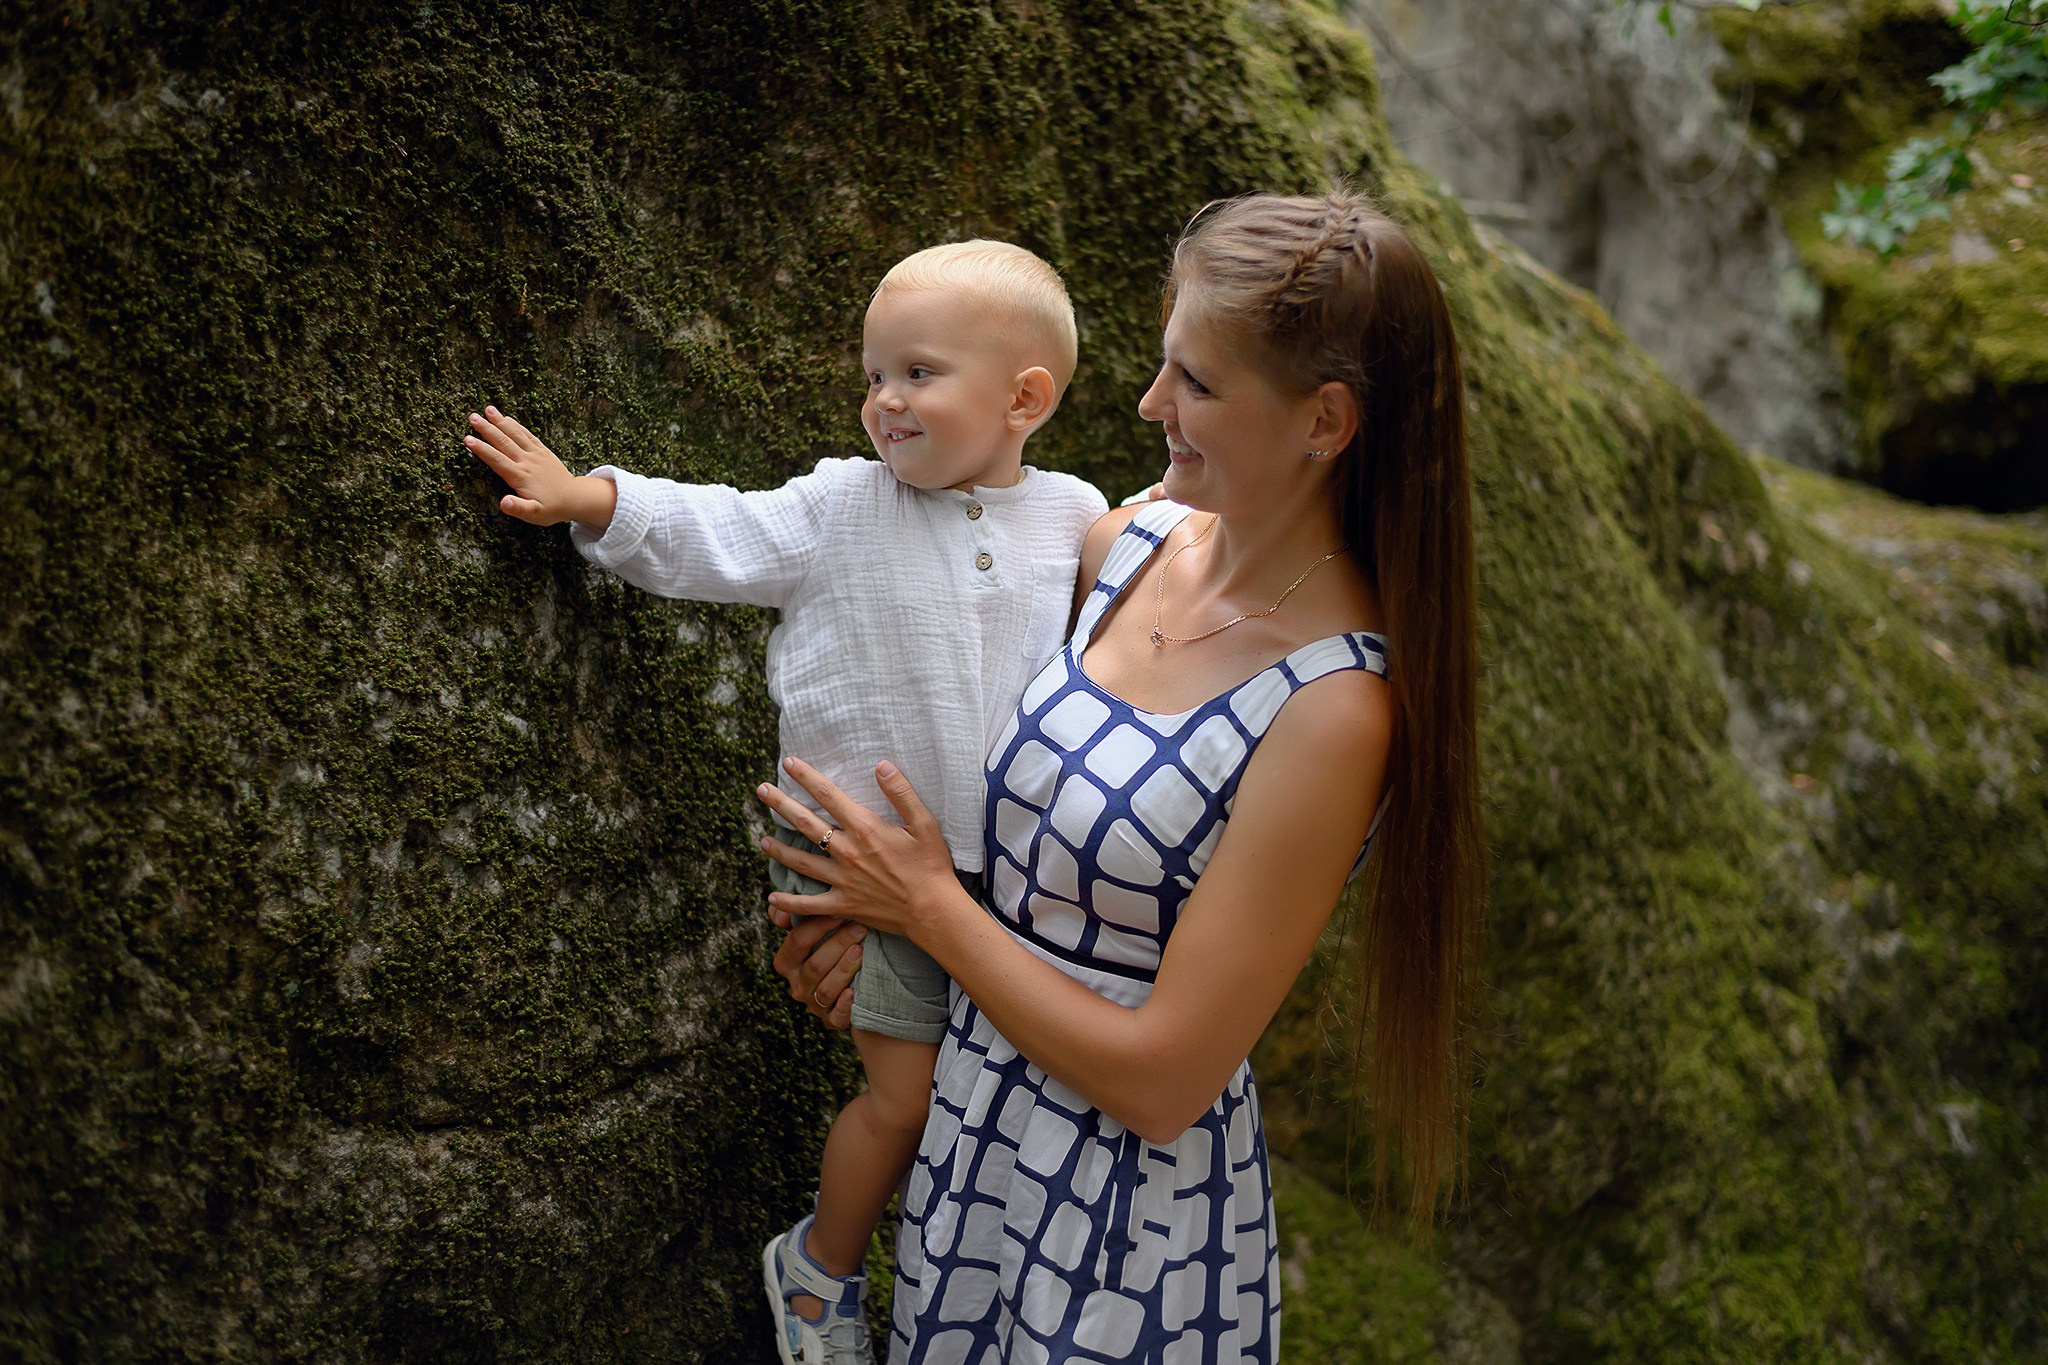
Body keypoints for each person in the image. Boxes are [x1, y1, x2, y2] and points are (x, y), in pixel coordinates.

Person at [761, 189, 1484, 1363]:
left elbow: (1164, 1080)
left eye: (1196, 384)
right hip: (972, 1150)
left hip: (1122, 1225)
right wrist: (862, 931)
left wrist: (929, 913)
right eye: (1163, 368)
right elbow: (996, 818)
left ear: (1325, 421)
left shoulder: (1334, 707)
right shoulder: (1121, 544)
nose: (1152, 407)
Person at [460, 240, 1108, 1365]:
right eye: (872, 374)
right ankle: (820, 1267)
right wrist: (588, 498)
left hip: (1005, 877)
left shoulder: (1073, 518)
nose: (881, 399)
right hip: (857, 863)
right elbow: (715, 527)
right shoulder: (842, 507)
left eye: (916, 373)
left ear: (1024, 399)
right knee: (906, 1102)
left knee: (991, 1104)